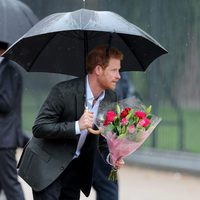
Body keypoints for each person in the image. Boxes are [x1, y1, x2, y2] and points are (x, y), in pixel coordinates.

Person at [17, 45, 125, 200]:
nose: (119, 76)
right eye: (114, 70)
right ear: (99, 70)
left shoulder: (110, 98)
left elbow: (102, 139)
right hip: (48, 166)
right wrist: (76, 125)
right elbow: (39, 127)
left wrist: (111, 157)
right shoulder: (63, 91)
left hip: (74, 170)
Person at [92, 72, 136, 200]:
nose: (117, 75)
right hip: (91, 134)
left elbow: (128, 101)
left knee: (108, 186)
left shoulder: (119, 75)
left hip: (104, 137)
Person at [0, 41, 29, 200]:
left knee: (10, 185)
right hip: (3, 138)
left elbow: (6, 103)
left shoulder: (9, 71)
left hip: (4, 139)